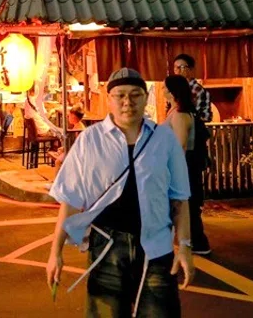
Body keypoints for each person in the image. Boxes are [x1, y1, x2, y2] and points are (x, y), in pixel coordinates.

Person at [46, 68, 194, 317]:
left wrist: (186, 248)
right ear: (109, 99)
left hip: (157, 247)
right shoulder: (89, 140)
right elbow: (70, 201)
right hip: (106, 246)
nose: (128, 102)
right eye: (120, 95)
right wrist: (55, 253)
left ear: (146, 98)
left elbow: (179, 199)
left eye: (136, 94)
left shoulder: (164, 139)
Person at [173, 53, 212, 256]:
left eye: (183, 67)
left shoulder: (195, 91)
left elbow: (203, 116)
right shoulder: (178, 100)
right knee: (185, 198)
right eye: (176, 68)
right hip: (188, 154)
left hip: (191, 154)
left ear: (191, 69)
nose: (179, 71)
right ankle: (189, 239)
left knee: (190, 197)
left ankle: (197, 241)